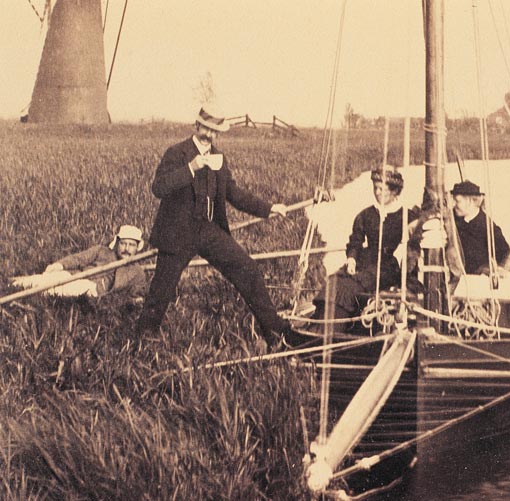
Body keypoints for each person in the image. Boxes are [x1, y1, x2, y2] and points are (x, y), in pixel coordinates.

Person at [135, 103, 303, 347]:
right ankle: (144, 336)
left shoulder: (218, 158)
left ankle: (276, 331)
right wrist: (191, 168)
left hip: (207, 230)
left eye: (216, 132)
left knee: (248, 269)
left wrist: (268, 209)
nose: (211, 136)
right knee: (161, 290)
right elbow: (158, 188)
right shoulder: (177, 153)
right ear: (197, 125)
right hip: (177, 232)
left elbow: (233, 192)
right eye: (207, 129)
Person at [313, 166, 418, 322]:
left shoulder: (407, 216)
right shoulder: (365, 215)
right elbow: (355, 241)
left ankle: (336, 324)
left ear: (395, 191)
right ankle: (323, 323)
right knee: (335, 282)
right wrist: (352, 259)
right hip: (364, 259)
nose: (377, 193)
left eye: (382, 189)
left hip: (386, 266)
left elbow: (419, 239)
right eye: (375, 188)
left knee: (348, 287)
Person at [11, 225, 147, 298]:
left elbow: (138, 291)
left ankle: (26, 294)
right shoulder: (101, 250)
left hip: (90, 288)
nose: (127, 249)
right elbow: (79, 258)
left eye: (131, 245)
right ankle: (13, 284)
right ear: (117, 243)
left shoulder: (137, 271)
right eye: (123, 244)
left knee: (58, 290)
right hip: (74, 275)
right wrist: (60, 265)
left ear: (137, 248)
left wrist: (136, 298)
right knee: (47, 278)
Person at [450, 180, 510, 275]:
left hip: (478, 281)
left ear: (470, 201)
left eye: (458, 201)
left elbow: (505, 254)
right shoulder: (453, 219)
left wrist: (488, 269)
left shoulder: (488, 226)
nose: (454, 205)